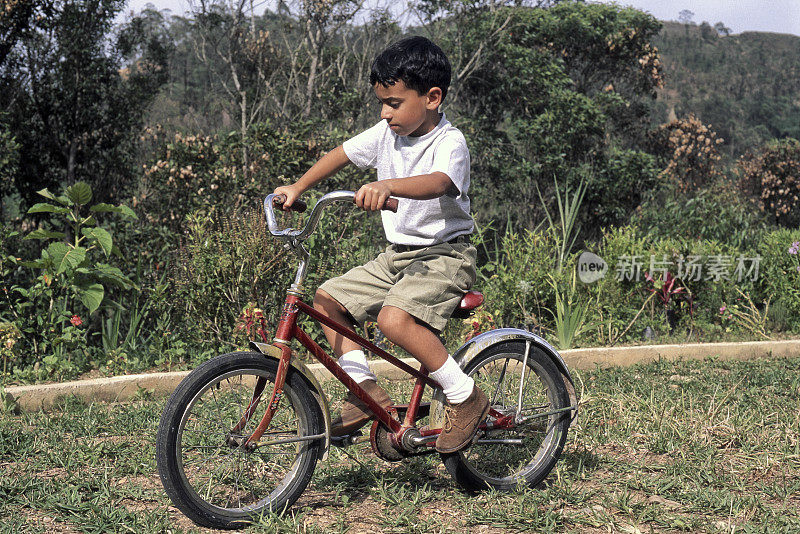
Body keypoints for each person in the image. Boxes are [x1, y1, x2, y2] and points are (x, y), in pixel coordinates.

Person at [273, 36, 488, 454]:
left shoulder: (449, 142)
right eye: (381, 103)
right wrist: (298, 187)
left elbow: (440, 182)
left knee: (394, 320)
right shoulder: (385, 133)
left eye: (393, 102)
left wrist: (388, 185)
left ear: (431, 97)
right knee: (327, 300)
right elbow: (343, 153)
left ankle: (467, 396)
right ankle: (365, 392)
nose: (384, 113)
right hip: (399, 255)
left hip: (446, 254)